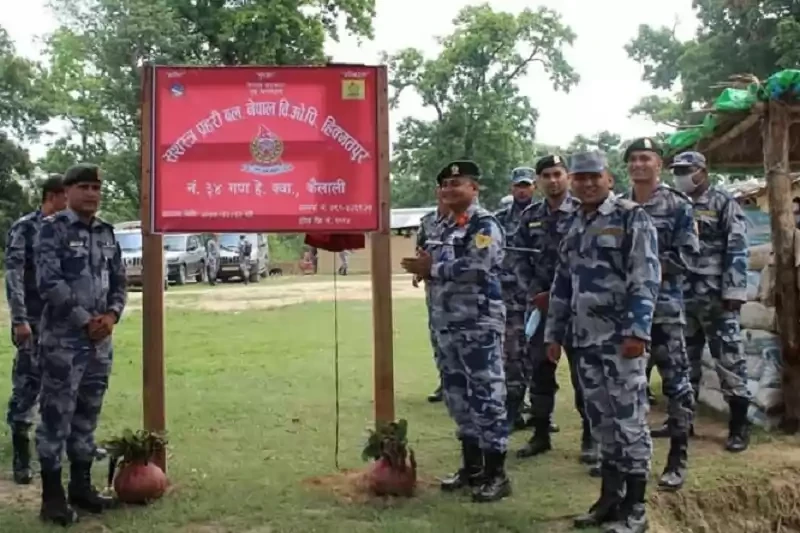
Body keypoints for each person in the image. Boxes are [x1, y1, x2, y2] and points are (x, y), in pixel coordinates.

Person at [546, 151, 659, 533]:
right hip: (584, 342)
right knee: (602, 423)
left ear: (609, 179)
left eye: (595, 176)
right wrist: (553, 334)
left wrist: (637, 331)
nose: (587, 183)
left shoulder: (631, 217)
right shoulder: (574, 224)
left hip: (620, 341)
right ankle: (609, 499)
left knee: (630, 423)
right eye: (580, 177)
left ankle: (636, 507)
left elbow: (645, 277)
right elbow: (562, 283)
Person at [400, 160, 510, 503]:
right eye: (445, 184)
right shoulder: (440, 226)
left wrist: (435, 267)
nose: (449, 189)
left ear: (474, 188)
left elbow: (480, 265)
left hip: (478, 324)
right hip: (445, 324)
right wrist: (422, 269)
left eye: (457, 183)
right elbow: (427, 260)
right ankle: (471, 467)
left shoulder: (484, 223)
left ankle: (496, 473)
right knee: (457, 396)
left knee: (487, 396)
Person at [34, 163, 127, 525]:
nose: (92, 193)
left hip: (99, 345)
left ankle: (82, 488)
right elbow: (48, 282)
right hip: (63, 344)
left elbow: (119, 280)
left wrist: (112, 316)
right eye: (84, 187)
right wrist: (83, 320)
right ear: (68, 191)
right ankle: (52, 499)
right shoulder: (51, 231)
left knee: (87, 417)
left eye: (97, 187)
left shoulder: (106, 232)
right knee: (56, 419)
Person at [621, 137, 699, 492]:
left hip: (664, 312)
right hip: (624, 317)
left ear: (659, 164)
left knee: (676, 387)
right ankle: (631, 460)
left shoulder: (677, 205)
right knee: (627, 389)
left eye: (646, 158)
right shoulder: (616, 207)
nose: (639, 164)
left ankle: (677, 458)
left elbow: (687, 259)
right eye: (633, 159)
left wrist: (643, 270)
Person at [513, 155, 595, 465]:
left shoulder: (584, 212)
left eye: (557, 174)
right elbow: (518, 258)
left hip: (576, 307)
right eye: (546, 175)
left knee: (582, 374)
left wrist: (563, 294)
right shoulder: (531, 215)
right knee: (539, 372)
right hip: (541, 307)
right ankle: (541, 432)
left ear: (568, 177)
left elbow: (590, 262)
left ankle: (590, 437)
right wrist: (535, 293)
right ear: (539, 180)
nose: (552, 180)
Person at [668, 151, 751, 452]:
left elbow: (738, 249)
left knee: (729, 361)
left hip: (717, 299)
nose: (680, 175)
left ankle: (739, 426)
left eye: (686, 170)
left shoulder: (723, 203)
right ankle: (682, 422)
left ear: (702, 171)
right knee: (683, 363)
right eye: (677, 170)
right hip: (682, 298)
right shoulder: (675, 204)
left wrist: (733, 292)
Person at [5, 175, 67, 485]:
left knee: (60, 389)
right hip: (32, 322)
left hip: (62, 325)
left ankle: (56, 454)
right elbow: (14, 276)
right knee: (26, 387)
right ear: (53, 196)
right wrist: (19, 319)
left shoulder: (68, 229)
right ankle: (21, 457)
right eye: (66, 196)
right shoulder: (25, 228)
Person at [495, 166, 536, 431]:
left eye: (527, 185)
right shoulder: (498, 219)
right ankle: (513, 410)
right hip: (509, 299)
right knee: (511, 356)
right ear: (512, 188)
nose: (522, 189)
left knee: (538, 357)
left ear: (534, 187)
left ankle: (541, 413)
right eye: (518, 185)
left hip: (538, 298)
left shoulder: (545, 216)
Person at [415, 188, 449, 403]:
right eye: (443, 188)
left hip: (461, 293)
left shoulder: (470, 221)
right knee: (438, 337)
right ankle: (446, 383)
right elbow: (421, 248)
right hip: (435, 290)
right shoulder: (428, 221)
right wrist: (419, 270)